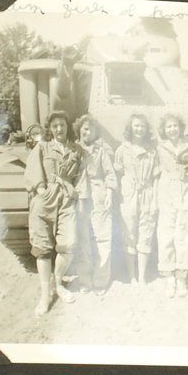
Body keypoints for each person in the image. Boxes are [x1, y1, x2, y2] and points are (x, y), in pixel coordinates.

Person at [24, 110, 80, 316]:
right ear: (50, 129)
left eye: (62, 125)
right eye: (55, 125)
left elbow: (82, 175)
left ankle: (58, 284)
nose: (59, 129)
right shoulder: (42, 147)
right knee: (42, 248)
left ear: (67, 127)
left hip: (66, 199)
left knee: (68, 243)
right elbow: (33, 170)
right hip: (45, 199)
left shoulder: (76, 150)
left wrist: (75, 193)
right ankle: (45, 295)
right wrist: (42, 191)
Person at [155, 112, 188, 298]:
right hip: (166, 190)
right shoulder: (159, 148)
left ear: (180, 128)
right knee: (166, 233)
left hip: (186, 190)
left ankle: (182, 277)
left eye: (175, 126)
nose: (172, 129)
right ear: (164, 130)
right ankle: (170, 278)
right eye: (168, 126)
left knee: (185, 232)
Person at [72, 114, 118, 296]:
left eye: (91, 130)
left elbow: (110, 174)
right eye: (85, 129)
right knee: (82, 238)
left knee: (102, 237)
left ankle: (100, 280)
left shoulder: (101, 151)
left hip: (99, 194)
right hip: (79, 195)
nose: (87, 132)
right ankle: (85, 279)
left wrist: (109, 192)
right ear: (79, 130)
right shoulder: (73, 149)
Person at [114, 113, 160, 291]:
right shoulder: (122, 150)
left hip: (147, 194)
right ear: (130, 128)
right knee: (129, 234)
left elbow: (156, 177)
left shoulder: (152, 151)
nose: (139, 129)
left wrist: (154, 198)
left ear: (146, 129)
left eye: (142, 126)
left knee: (145, 233)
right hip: (128, 196)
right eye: (136, 126)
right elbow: (118, 173)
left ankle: (141, 276)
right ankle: (131, 275)